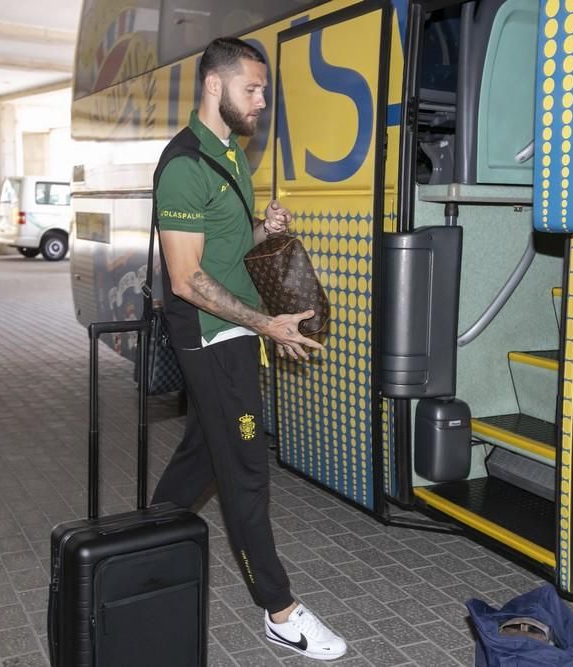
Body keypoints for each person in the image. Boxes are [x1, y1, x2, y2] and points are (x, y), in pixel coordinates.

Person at [151, 37, 348, 661]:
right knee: (246, 473)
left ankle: (147, 537)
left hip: (238, 332)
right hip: (213, 338)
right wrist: (267, 325)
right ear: (216, 86)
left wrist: (265, 229)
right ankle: (279, 610)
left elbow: (226, 251)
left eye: (263, 91)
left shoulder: (230, 152)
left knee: (207, 455)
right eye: (253, 89)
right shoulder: (184, 165)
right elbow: (186, 279)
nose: (262, 101)